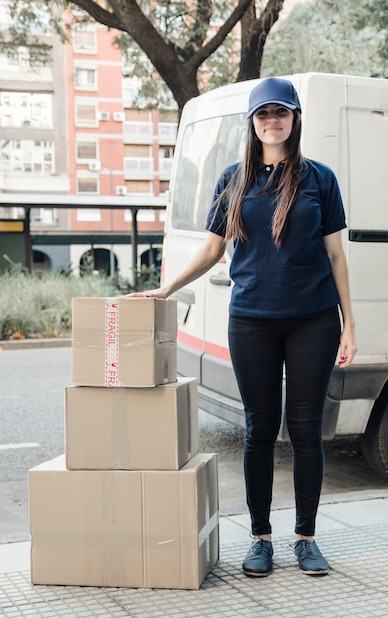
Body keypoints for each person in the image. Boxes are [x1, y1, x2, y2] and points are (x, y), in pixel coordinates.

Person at [127, 77, 357, 577]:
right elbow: (211, 250)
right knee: (258, 430)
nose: (272, 121)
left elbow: (337, 255)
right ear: (252, 124)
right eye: (263, 114)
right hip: (251, 320)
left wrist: (349, 325)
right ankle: (260, 538)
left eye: (281, 112)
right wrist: (166, 288)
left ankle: (306, 537)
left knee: (305, 431)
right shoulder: (233, 179)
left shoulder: (320, 178)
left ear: (295, 119)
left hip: (314, 320)